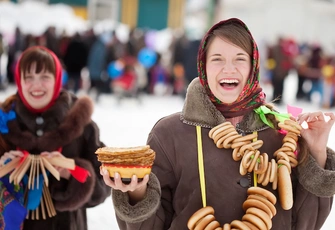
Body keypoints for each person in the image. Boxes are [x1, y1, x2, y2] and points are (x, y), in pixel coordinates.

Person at [101, 18, 335, 229]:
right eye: (217, 59)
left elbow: (306, 223)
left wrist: (315, 151)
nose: (228, 69)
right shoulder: (168, 135)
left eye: (239, 59)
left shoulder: (282, 134)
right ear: (203, 66)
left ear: (253, 67)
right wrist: (136, 191)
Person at [0, 46, 110, 230]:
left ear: (57, 79)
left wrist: (72, 171)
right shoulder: (5, 123)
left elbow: (103, 187)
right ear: (19, 81)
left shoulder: (82, 125)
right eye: (29, 78)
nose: (36, 85)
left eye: (44, 77)